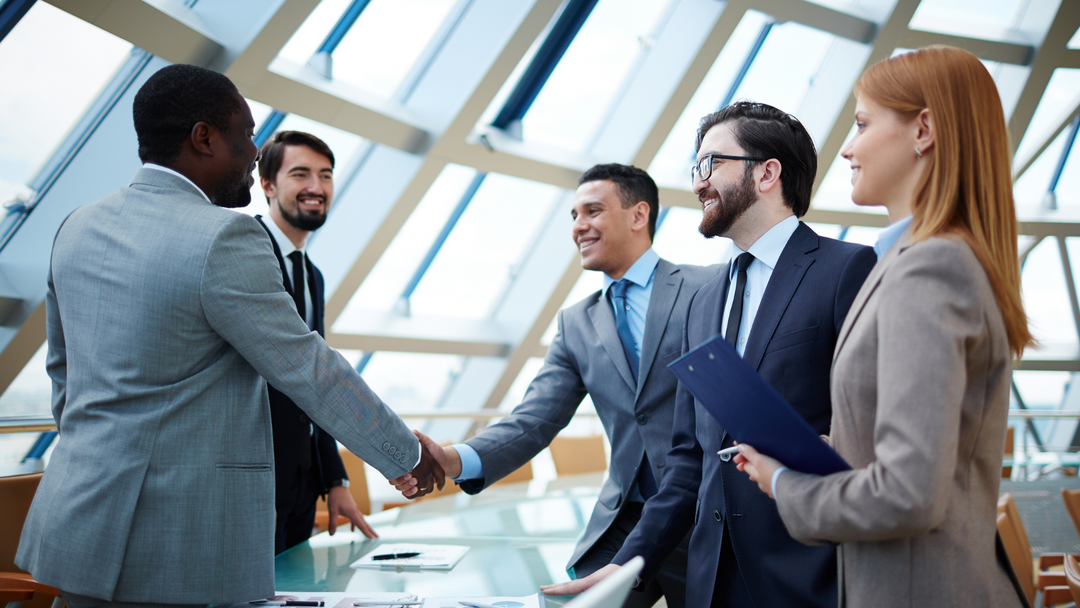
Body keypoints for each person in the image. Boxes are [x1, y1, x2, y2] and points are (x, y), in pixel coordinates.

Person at [15, 64, 442, 608]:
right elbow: (305, 366)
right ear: (204, 138)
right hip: (176, 541)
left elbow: (63, 374)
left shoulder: (77, 225)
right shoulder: (225, 235)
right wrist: (404, 453)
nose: (253, 150)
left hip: (74, 524)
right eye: (246, 135)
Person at [541, 102, 877, 608]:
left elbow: (874, 429)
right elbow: (687, 460)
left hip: (806, 575)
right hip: (710, 581)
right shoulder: (705, 301)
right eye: (696, 168)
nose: (698, 183)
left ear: (767, 173)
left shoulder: (847, 270)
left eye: (711, 164)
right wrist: (625, 564)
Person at [736, 46, 1033, 608]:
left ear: (923, 130)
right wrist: (813, 450)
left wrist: (784, 484)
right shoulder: (921, 261)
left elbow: (906, 494)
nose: (847, 147)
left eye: (863, 123)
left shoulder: (931, 268)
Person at [394, 164, 719, 608]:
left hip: (705, 510)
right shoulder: (576, 323)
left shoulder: (708, 287)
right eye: (573, 215)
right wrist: (452, 460)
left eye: (592, 211)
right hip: (625, 517)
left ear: (638, 215)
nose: (578, 227)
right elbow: (535, 419)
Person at [252, 130, 376, 553]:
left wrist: (333, 479)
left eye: (325, 175)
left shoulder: (312, 274)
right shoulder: (245, 251)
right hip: (256, 481)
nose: (316, 187)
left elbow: (315, 382)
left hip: (302, 480)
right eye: (300, 174)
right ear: (267, 184)